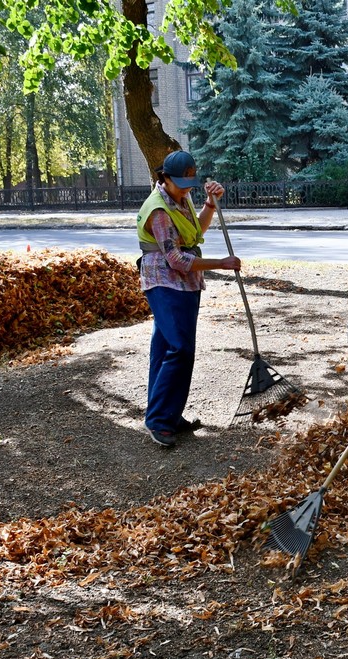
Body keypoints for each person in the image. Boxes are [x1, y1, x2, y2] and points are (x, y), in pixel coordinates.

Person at [137, 150, 242, 448]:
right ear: (164, 178)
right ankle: (158, 421)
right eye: (181, 183)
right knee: (180, 349)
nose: (186, 188)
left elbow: (196, 230)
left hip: (185, 284)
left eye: (189, 183)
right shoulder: (158, 210)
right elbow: (175, 258)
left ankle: (168, 414)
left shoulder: (180, 199)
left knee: (166, 347)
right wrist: (220, 263)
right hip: (165, 282)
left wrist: (210, 203)